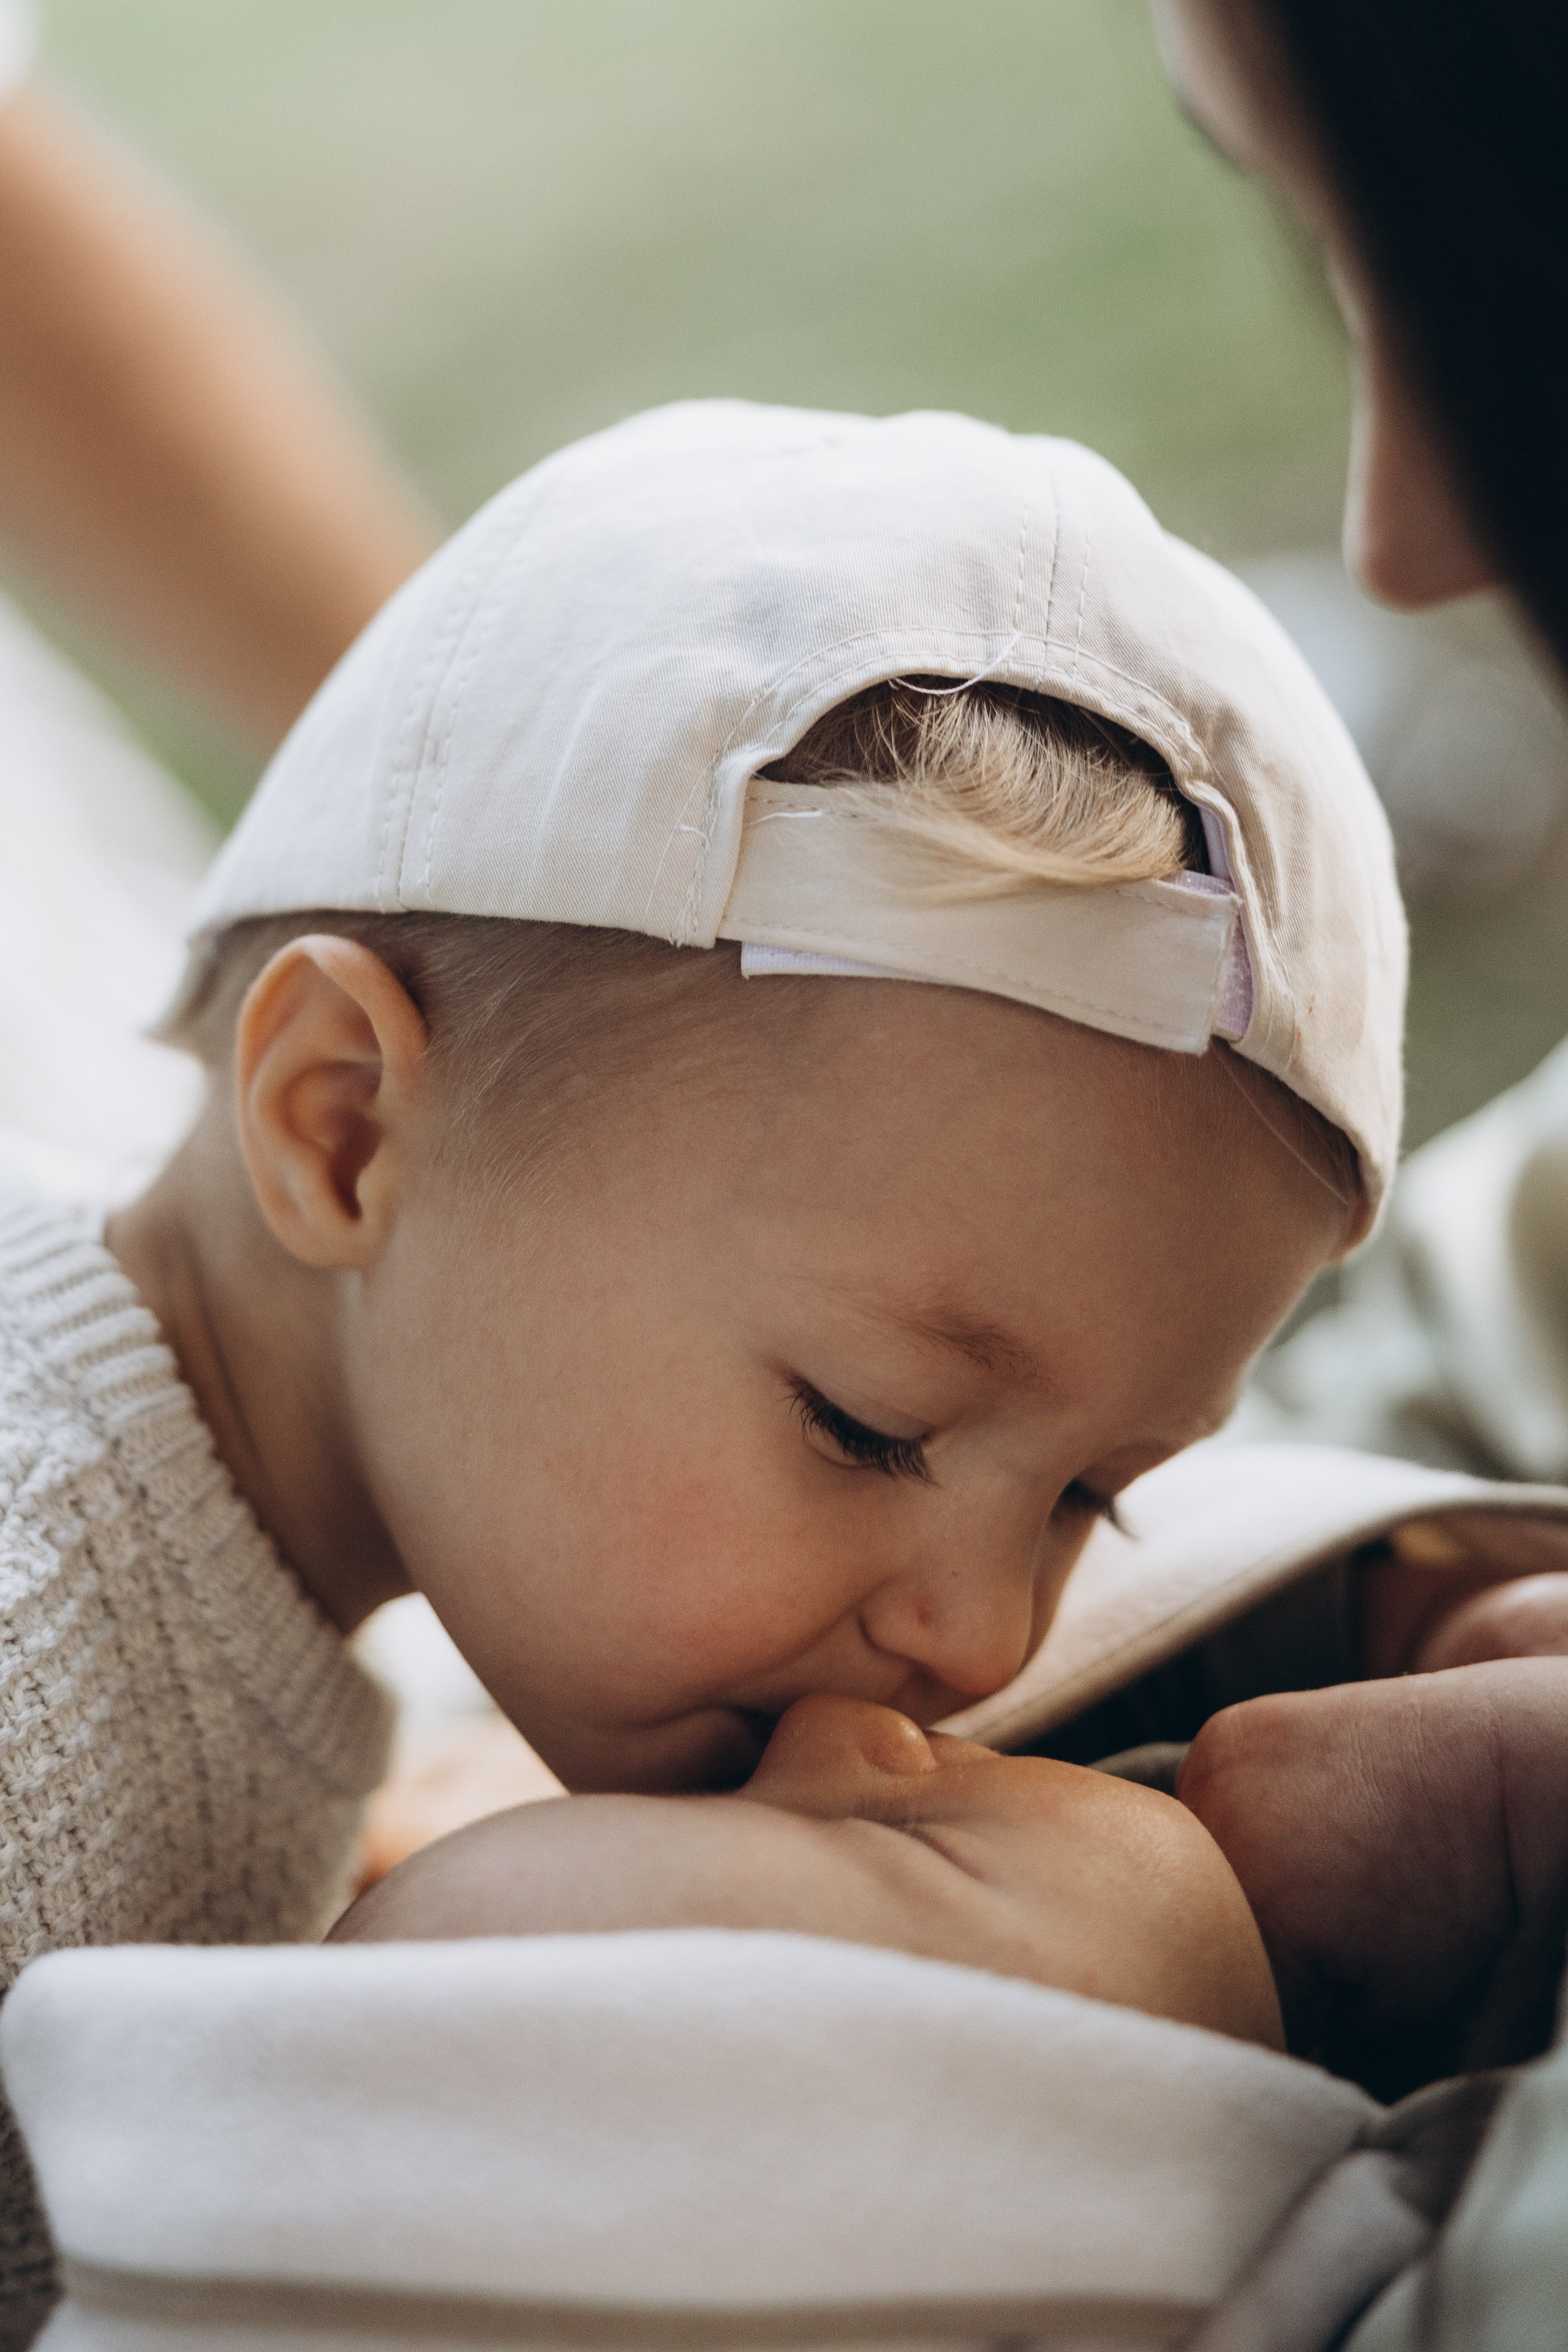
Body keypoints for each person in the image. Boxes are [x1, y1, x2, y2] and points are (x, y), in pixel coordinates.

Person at [0, 392, 1410, 2329]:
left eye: (1093, 1493)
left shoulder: (318, 1524)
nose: (984, 1640)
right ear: (339, 1126)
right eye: (873, 1426)